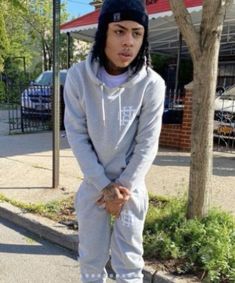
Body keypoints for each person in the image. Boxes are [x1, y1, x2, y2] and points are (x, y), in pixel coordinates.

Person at [64, 0, 165, 282]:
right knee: (91, 262)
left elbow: (148, 142)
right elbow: (77, 135)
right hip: (93, 185)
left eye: (137, 33)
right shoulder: (77, 78)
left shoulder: (152, 84)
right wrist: (104, 186)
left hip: (131, 187)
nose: (128, 42)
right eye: (119, 31)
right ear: (103, 33)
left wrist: (121, 189)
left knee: (130, 265)